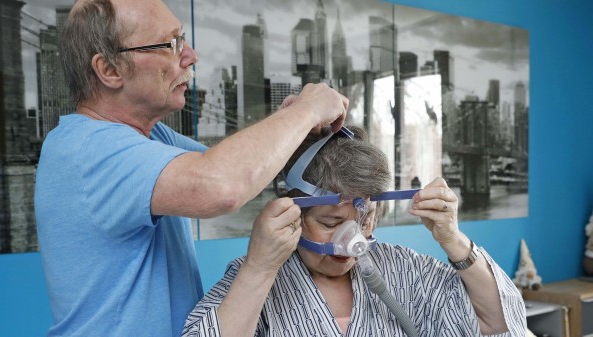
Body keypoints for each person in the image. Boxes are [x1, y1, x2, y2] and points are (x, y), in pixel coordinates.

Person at [34, 0, 348, 336]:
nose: (190, 55)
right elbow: (221, 186)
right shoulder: (90, 150)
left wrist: (295, 123)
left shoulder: (148, 136)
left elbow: (244, 164)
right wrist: (306, 112)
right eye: (171, 44)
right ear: (110, 70)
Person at [182, 126, 526, 336]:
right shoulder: (256, 277)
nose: (352, 240)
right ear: (292, 212)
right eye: (331, 223)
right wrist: (259, 267)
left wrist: (453, 240)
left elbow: (499, 326)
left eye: (365, 219)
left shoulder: (406, 271)